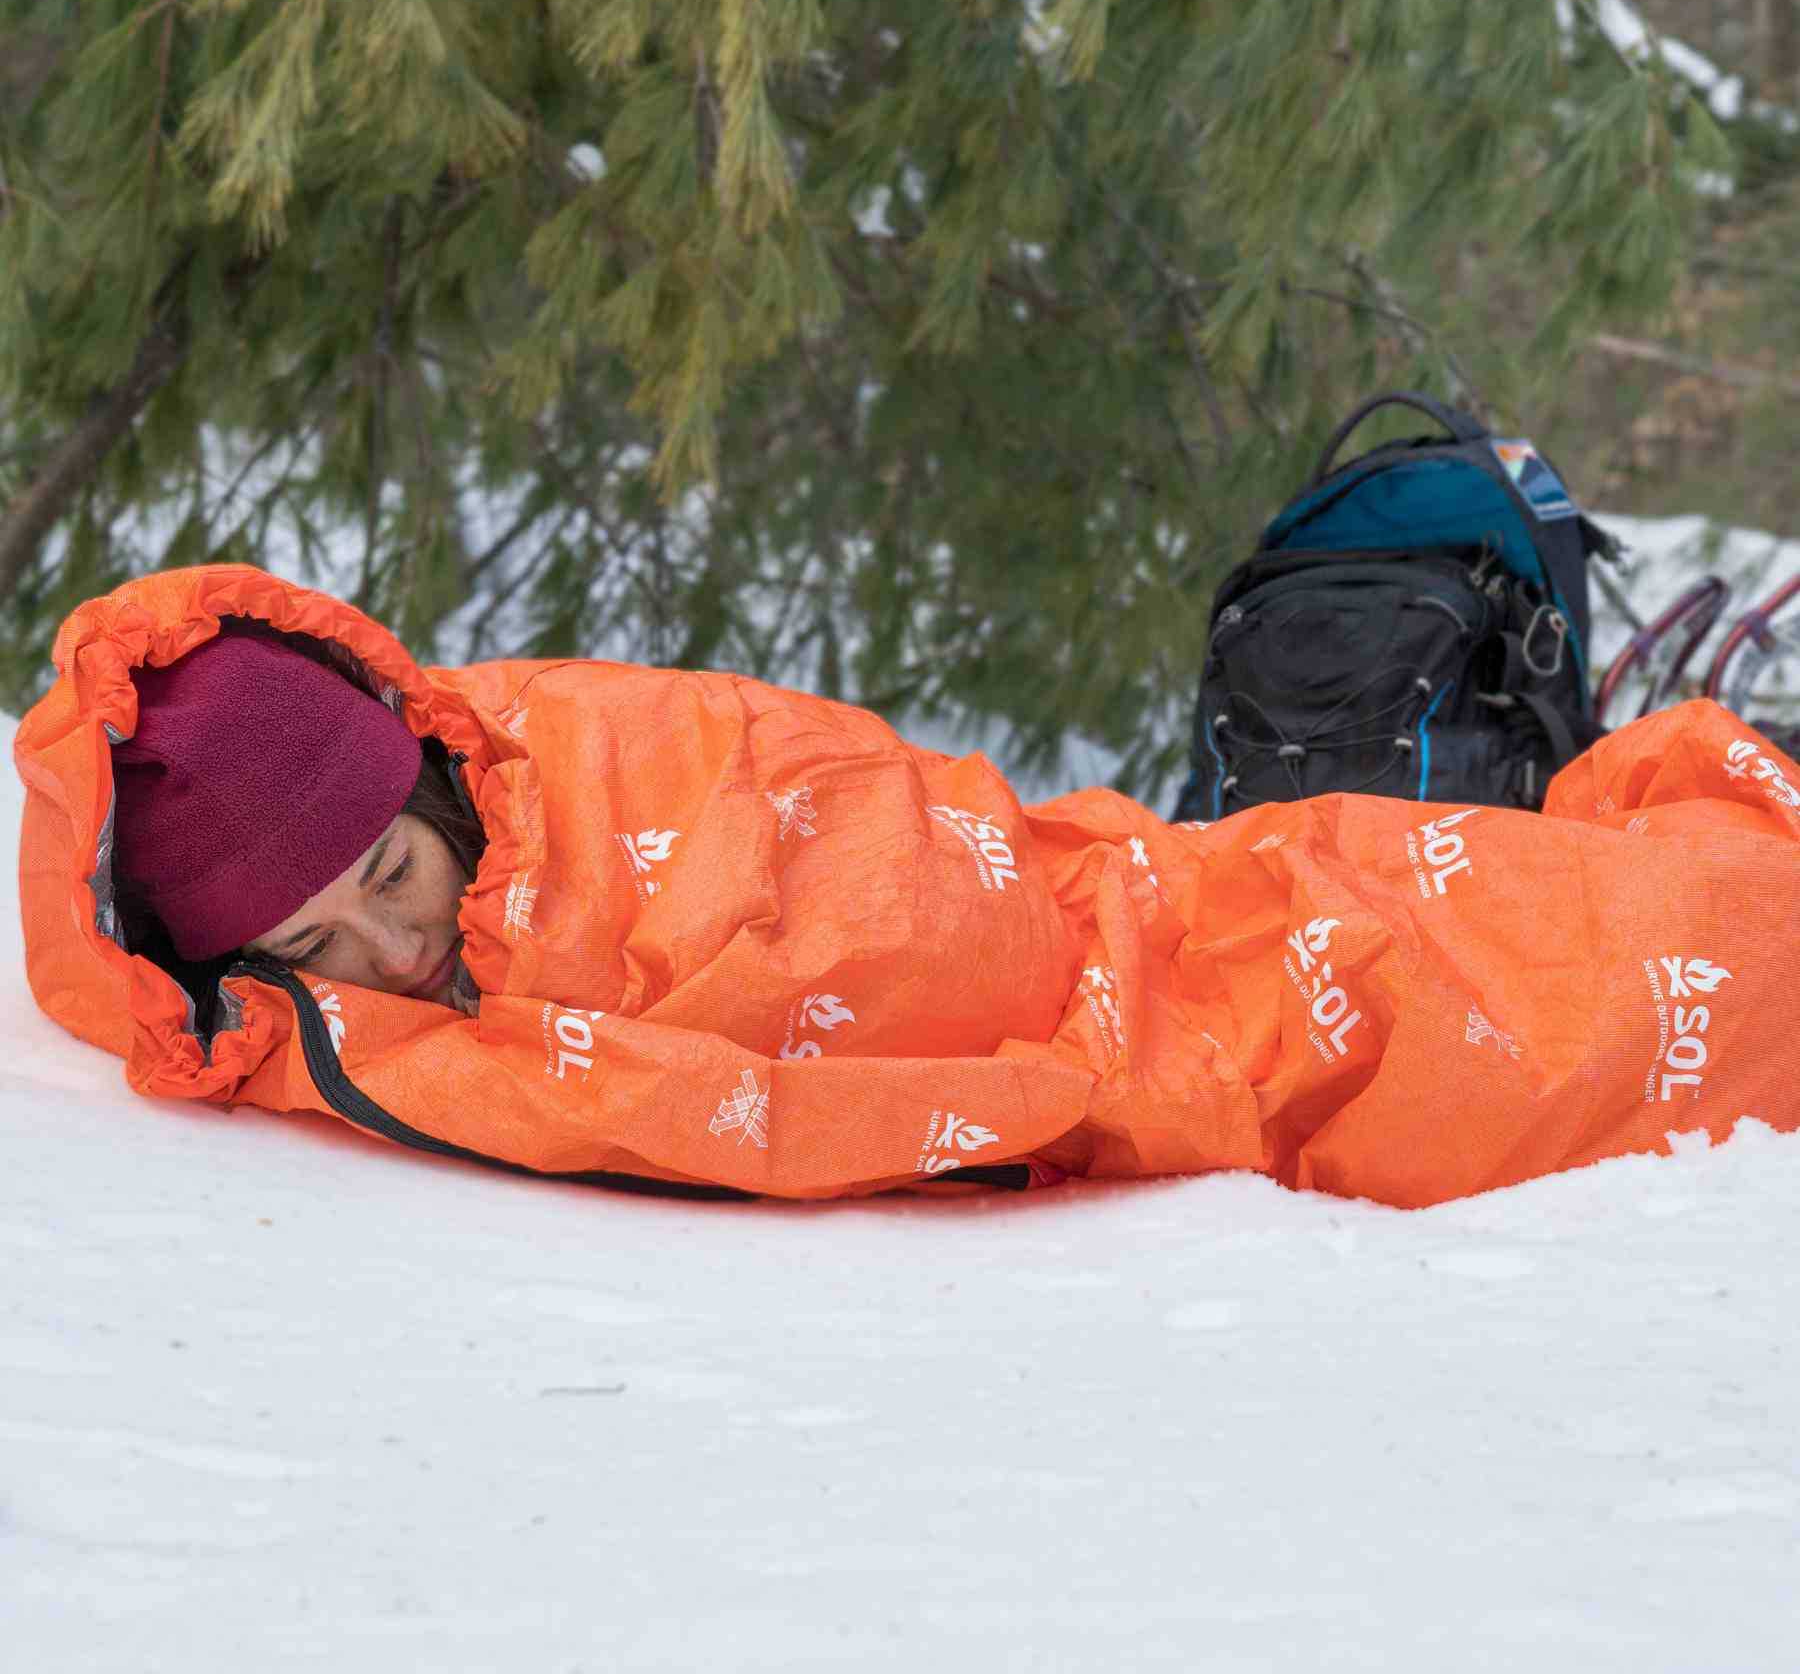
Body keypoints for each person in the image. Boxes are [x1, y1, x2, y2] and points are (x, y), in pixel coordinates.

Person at [17, 562, 1800, 1206]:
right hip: (1176, 1016)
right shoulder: (367, 1041)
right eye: (316, 946)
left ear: (423, 782)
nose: (394, 949)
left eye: (392, 873)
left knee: (1578, 940)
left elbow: (861, 837)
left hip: (1143, 912)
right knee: (1572, 1023)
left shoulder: (568, 750)